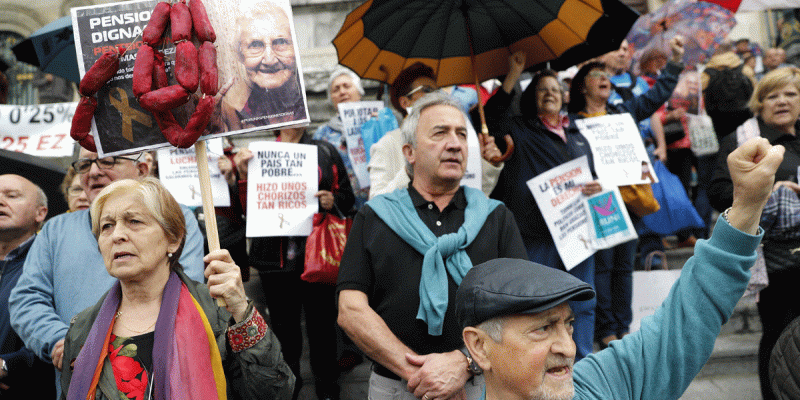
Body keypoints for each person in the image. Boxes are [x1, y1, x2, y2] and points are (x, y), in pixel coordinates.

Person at [456, 136, 784, 400]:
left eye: (568, 325)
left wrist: (746, 205)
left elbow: (684, 322)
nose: (568, 348)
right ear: (480, 347)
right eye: (543, 328)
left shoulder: (599, 385)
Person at [337, 92, 528, 400]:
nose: (454, 143)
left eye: (461, 135)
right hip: (395, 388)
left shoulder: (496, 217)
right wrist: (424, 377)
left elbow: (521, 307)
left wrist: (466, 363)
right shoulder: (374, 217)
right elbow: (350, 310)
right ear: (409, 152)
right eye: (440, 133)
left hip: (481, 385)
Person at [60, 177, 294, 400]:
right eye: (106, 226)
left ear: (173, 238)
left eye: (134, 221)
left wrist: (242, 312)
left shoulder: (218, 311)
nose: (117, 235)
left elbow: (276, 393)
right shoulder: (83, 328)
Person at [9, 149, 205, 398]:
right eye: (84, 164)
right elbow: (27, 300)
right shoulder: (56, 230)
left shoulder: (177, 220)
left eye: (107, 160)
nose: (92, 172)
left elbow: (184, 296)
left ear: (142, 170)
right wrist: (64, 342)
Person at [482, 52, 602, 361]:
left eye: (554, 88)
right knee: (539, 303)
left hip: (577, 233)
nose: (549, 93)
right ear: (532, 98)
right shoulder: (520, 130)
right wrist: (514, 74)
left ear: (564, 96)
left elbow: (594, 178)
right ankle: (543, 362)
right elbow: (492, 115)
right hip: (535, 234)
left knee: (583, 301)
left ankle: (582, 361)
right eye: (541, 89)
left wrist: (595, 187)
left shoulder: (578, 134)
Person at [568, 36, 684, 351]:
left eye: (606, 76)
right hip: (601, 202)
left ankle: (622, 325)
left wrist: (673, 63)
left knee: (624, 266)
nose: (604, 79)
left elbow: (657, 95)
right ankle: (605, 329)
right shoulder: (573, 124)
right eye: (596, 76)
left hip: (629, 201)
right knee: (603, 268)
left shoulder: (624, 110)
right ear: (581, 87)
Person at [231, 127, 355, 400]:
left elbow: (349, 198)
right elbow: (244, 211)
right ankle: (289, 385)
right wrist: (241, 176)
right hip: (275, 262)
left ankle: (327, 387)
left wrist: (332, 200)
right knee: (284, 330)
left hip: (316, 256)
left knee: (323, 327)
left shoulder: (324, 150)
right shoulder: (257, 154)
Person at [709, 66, 800, 400]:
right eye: (772, 95)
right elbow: (717, 192)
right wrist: (771, 191)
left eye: (790, 94)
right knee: (780, 334)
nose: (782, 101)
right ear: (759, 103)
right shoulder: (744, 140)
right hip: (774, 258)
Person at [368, 63, 503, 198]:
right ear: (405, 102)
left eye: (437, 91)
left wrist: (488, 165)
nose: (435, 97)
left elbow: (474, 198)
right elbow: (376, 204)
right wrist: (410, 171)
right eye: (426, 90)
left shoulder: (452, 140)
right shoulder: (387, 144)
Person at [0, 174, 55, 399]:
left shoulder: (52, 264)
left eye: (12, 196)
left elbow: (61, 336)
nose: (1, 201)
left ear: (40, 213)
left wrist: (7, 366)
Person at [218, 0, 306, 131]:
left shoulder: (306, 107)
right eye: (255, 45)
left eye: (281, 42)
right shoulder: (230, 115)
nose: (270, 60)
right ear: (240, 54)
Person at [313, 67, 371, 209]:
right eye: (336, 89)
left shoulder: (375, 123)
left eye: (347, 86)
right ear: (331, 99)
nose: (342, 92)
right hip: (342, 210)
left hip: (379, 203)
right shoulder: (322, 134)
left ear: (359, 92)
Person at [701, 41, 756, 142]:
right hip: (745, 117)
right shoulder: (745, 69)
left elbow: (701, 98)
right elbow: (756, 92)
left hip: (718, 121)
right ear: (732, 50)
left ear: (715, 51)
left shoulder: (706, 74)